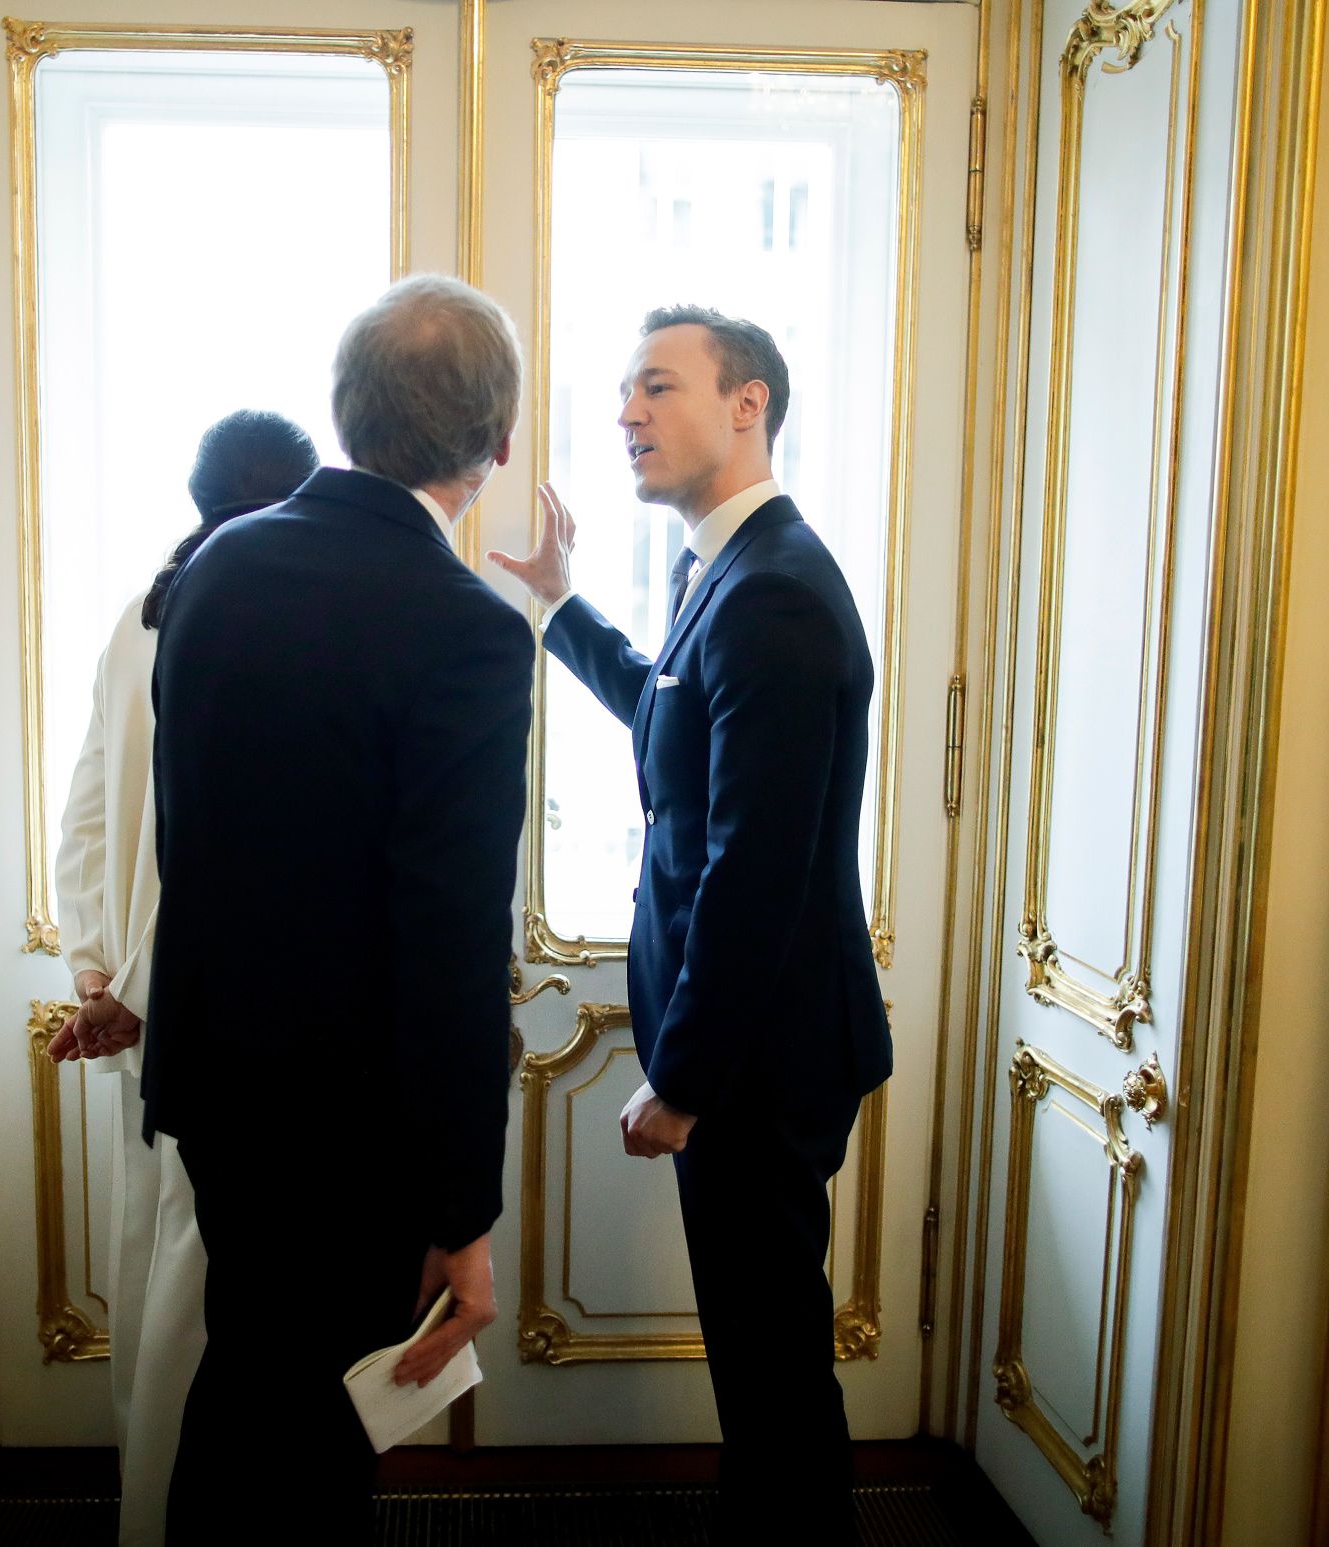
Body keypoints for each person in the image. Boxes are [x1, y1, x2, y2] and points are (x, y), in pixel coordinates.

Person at [491, 305, 890, 1543]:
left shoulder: (773, 592)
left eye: (655, 386)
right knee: (759, 1356)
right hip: (748, 1051)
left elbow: (751, 869)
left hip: (757, 1064)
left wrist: (682, 1076)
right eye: (622, 391)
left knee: (771, 1367)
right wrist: (561, 609)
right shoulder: (719, 570)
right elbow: (671, 719)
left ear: (746, 403)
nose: (623, 414)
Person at [145, 275, 534, 1542]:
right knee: (314, 1441)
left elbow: (195, 834)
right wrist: (461, 1210)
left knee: (249, 1379)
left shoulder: (216, 570)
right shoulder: (466, 630)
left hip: (217, 1087)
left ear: (342, 408)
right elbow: (450, 939)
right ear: (497, 443)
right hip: (354, 1127)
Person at [50, 409, 321, 1547]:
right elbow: (214, 859)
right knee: (194, 1308)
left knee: (151, 1272)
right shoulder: (264, 621)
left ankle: (150, 1512)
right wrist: (137, 991)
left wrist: (98, 972)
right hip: (218, 1025)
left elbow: (90, 813)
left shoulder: (142, 610)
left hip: (148, 1015)